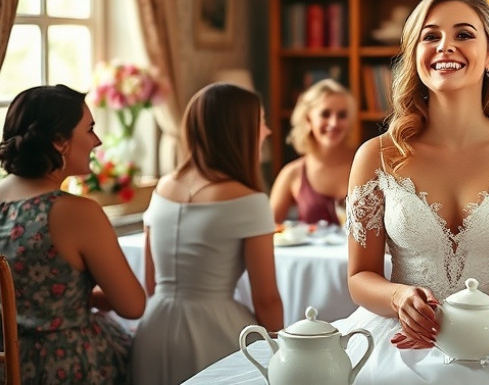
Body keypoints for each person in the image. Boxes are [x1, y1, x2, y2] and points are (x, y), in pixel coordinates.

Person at [331, 0, 489, 384]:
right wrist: (399, 297)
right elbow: (359, 277)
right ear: (415, 55)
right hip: (399, 338)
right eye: (430, 36)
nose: (445, 46)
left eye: (463, 34)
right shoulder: (376, 156)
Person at [132, 83, 283, 385]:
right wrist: (278, 350)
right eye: (261, 121)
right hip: (216, 336)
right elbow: (265, 299)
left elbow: (150, 283)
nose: (266, 131)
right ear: (239, 131)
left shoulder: (162, 188)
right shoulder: (249, 201)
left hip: (153, 331)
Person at [0, 84, 146, 384]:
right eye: (90, 129)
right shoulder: (76, 212)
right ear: (59, 142)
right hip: (65, 366)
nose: (97, 140)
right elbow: (132, 306)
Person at [270, 78, 356, 226]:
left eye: (342, 115)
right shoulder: (292, 173)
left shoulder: (366, 165)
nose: (334, 123)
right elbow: (268, 228)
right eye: (325, 114)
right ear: (308, 119)